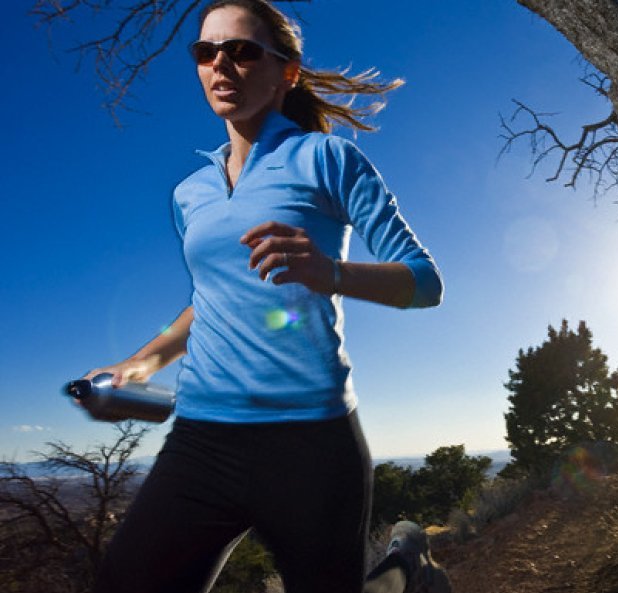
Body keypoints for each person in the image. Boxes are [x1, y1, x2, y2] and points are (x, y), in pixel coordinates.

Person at [85, 0, 445, 591]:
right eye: (206, 52)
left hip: (310, 443)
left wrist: (330, 272)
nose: (221, 63)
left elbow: (425, 282)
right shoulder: (189, 192)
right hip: (201, 440)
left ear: (287, 72)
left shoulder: (328, 158)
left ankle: (407, 571)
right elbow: (210, 301)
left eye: (242, 50)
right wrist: (141, 362)